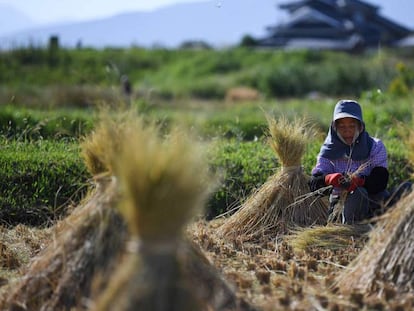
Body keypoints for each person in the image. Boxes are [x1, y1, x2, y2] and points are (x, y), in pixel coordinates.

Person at [309, 99, 390, 224]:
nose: (347, 130)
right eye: (342, 126)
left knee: (406, 189)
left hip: (374, 203)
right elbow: (314, 184)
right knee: (358, 193)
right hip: (340, 208)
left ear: (360, 126)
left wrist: (360, 181)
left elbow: (381, 180)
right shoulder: (329, 151)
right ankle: (349, 230)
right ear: (334, 128)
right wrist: (328, 179)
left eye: (352, 126)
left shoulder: (375, 146)